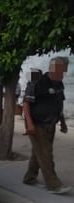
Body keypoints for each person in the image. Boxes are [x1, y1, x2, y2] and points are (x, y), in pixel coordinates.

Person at [22, 56, 70, 194]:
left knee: (39, 152)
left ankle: (29, 177)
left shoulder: (59, 84)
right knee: (46, 154)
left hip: (50, 123)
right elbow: (26, 104)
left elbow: (59, 104)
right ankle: (54, 184)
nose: (62, 74)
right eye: (60, 70)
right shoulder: (37, 82)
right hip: (36, 123)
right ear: (51, 68)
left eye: (63, 71)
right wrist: (30, 125)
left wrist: (63, 122)